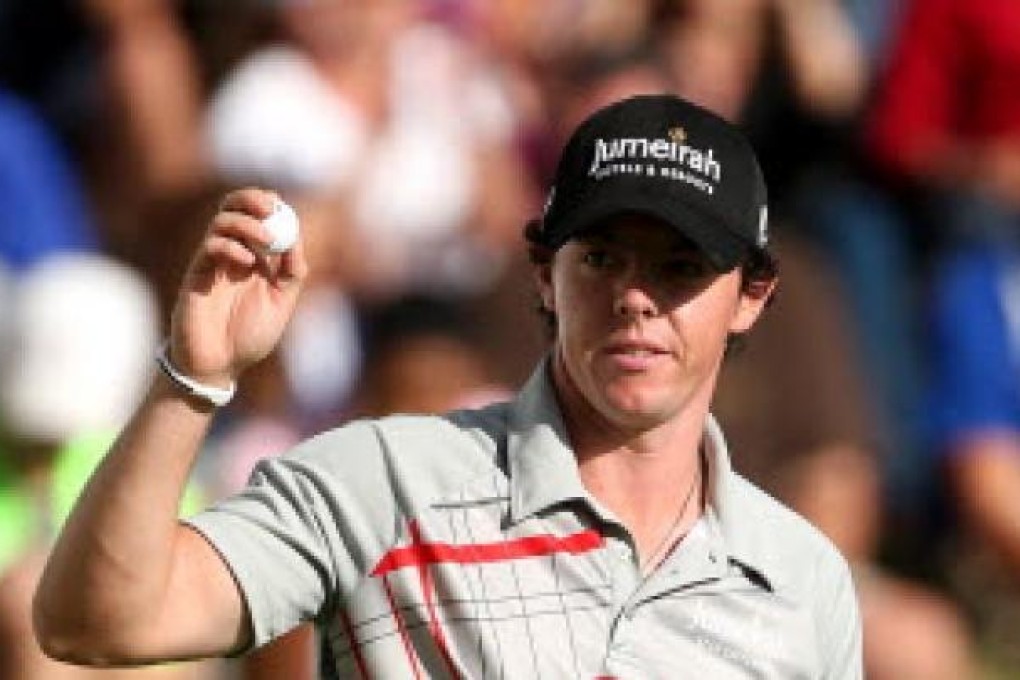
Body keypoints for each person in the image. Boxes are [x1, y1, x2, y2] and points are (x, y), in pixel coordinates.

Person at [32, 94, 862, 677]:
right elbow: (98, 620)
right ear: (543, 275)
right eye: (602, 259)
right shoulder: (381, 479)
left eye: (681, 268)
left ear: (753, 297)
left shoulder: (803, 579)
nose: (636, 298)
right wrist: (194, 381)